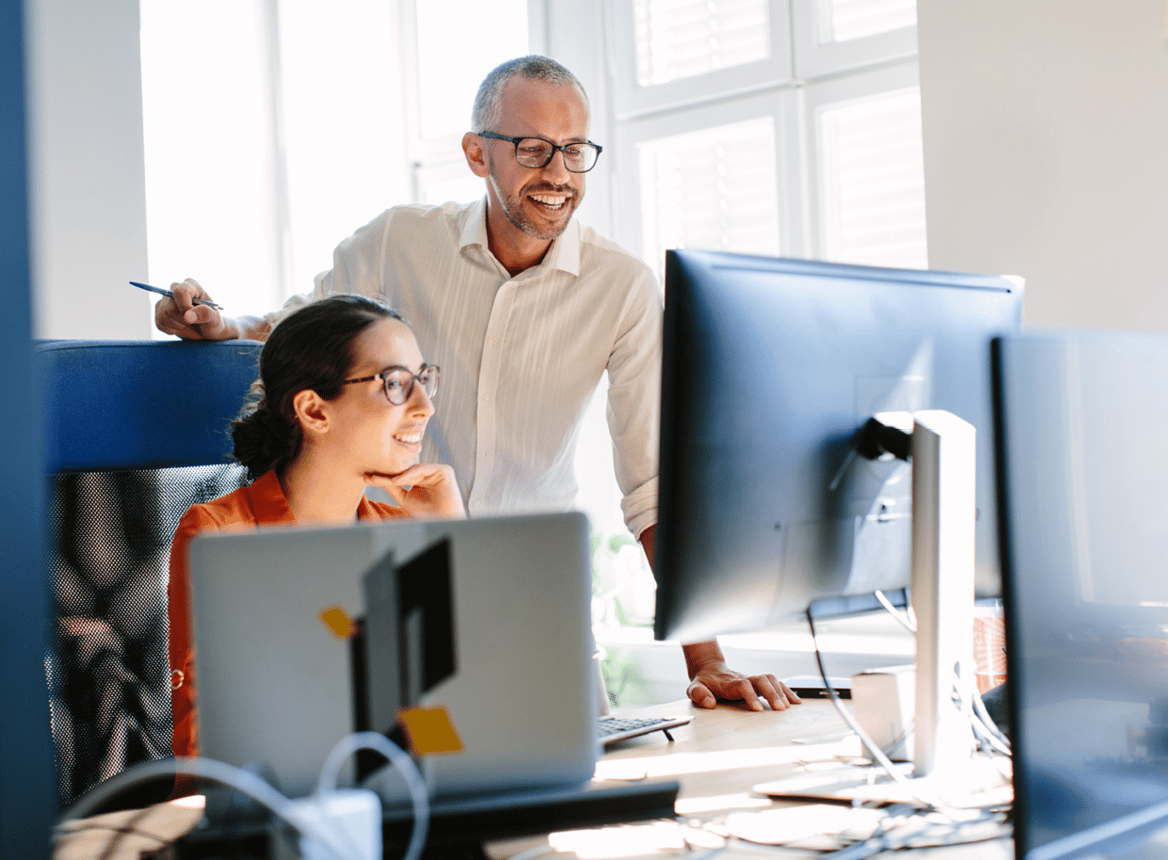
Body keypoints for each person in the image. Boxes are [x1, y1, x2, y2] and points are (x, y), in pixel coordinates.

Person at [155, 55, 799, 714]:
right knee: (429, 758)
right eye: (533, 149)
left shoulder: (622, 287)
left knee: (565, 783)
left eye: (575, 151)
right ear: (476, 154)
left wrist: (707, 659)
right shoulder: (398, 242)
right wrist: (222, 324)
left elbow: (655, 485)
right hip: (388, 594)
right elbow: (305, 329)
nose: (558, 174)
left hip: (530, 607)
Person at [167, 295, 464, 758]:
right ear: (314, 411)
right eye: (396, 384)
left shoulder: (402, 530)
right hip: (275, 815)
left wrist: (449, 537)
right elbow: (210, 749)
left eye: (424, 380)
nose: (425, 406)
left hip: (398, 802)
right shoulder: (222, 537)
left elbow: (446, 719)